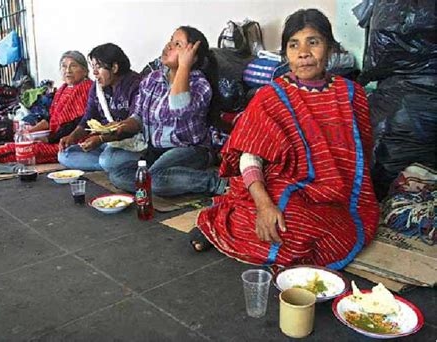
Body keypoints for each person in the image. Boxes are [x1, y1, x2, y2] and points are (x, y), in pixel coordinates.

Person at [194, 9, 380, 270]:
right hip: (280, 186)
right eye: (294, 45)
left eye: (313, 42)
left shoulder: (351, 95)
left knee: (342, 226)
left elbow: (358, 159)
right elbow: (250, 156)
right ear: (286, 54)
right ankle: (220, 221)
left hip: (338, 193)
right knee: (286, 223)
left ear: (330, 49)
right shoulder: (270, 97)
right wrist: (264, 205)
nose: (303, 53)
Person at [107, 26, 227, 196]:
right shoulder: (152, 79)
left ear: (192, 57)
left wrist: (184, 66)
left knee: (154, 180)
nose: (168, 46)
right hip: (155, 151)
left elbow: (179, 107)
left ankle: (215, 182)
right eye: (170, 40)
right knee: (117, 174)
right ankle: (166, 180)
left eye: (177, 44)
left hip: (190, 150)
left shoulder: (200, 84)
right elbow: (139, 117)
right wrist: (122, 126)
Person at [0, 50, 92, 166]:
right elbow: (50, 117)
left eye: (73, 66)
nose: (67, 70)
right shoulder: (62, 89)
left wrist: (48, 139)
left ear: (85, 71)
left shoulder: (87, 88)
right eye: (64, 66)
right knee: (23, 142)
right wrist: (30, 132)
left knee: (32, 149)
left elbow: (78, 123)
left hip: (74, 139)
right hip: (57, 135)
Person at [57, 43, 141, 172]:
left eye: (98, 67)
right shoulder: (97, 87)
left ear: (114, 67)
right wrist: (72, 137)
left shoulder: (136, 85)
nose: (94, 73)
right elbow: (89, 117)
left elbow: (135, 124)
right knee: (65, 154)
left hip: (132, 144)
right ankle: (112, 165)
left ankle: (112, 164)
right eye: (93, 67)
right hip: (108, 144)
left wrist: (101, 138)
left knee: (108, 160)